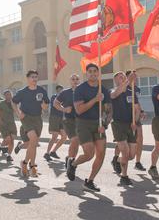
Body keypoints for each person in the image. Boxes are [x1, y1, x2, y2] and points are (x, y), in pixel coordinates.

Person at [67, 63, 111, 192]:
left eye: (95, 71)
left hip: (99, 124)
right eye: (90, 71)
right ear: (86, 74)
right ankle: (73, 164)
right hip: (83, 123)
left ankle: (90, 181)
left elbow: (109, 110)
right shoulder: (80, 89)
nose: (93, 73)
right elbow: (79, 110)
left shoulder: (104, 89)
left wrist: (105, 124)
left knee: (101, 153)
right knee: (89, 154)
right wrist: (95, 100)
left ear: (98, 73)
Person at [12, 70, 50, 177]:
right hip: (26, 118)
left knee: (33, 144)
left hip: (38, 118)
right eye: (32, 77)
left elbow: (46, 105)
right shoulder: (22, 91)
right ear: (28, 79)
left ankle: (32, 166)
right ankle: (25, 164)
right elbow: (14, 102)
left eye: (36, 77)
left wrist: (44, 107)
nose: (34, 79)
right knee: (33, 139)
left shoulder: (42, 90)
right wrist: (19, 113)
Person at [109, 71, 141, 186]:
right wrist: (127, 81)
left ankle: (116, 160)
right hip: (118, 124)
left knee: (131, 155)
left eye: (123, 77)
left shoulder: (131, 92)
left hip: (130, 125)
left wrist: (136, 121)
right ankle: (124, 176)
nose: (122, 78)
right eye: (120, 77)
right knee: (125, 152)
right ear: (115, 80)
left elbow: (137, 109)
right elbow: (114, 95)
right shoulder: (113, 91)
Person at [55, 74, 80, 172]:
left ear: (79, 81)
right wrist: (64, 109)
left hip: (81, 120)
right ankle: (71, 161)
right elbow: (55, 104)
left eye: (77, 79)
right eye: (73, 79)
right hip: (68, 120)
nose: (75, 81)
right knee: (75, 139)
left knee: (76, 143)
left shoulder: (83, 91)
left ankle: (70, 158)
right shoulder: (65, 92)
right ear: (70, 81)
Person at [45, 84, 65, 162]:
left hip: (61, 118)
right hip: (54, 117)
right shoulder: (54, 96)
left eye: (62, 90)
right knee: (55, 136)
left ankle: (53, 152)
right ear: (57, 90)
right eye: (60, 90)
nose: (61, 91)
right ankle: (47, 153)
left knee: (64, 136)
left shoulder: (64, 97)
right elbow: (57, 105)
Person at [0, 89, 17, 163]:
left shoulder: (14, 103)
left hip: (12, 124)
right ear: (4, 96)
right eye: (7, 95)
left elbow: (16, 111)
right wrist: (0, 121)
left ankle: (2, 147)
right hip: (4, 124)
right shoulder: (1, 103)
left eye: (10, 94)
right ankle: (8, 154)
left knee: (12, 139)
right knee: (9, 139)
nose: (9, 96)